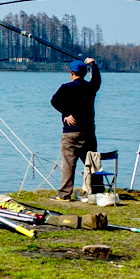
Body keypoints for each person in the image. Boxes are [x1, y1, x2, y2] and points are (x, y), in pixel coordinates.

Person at [50, 57, 101, 200]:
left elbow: (54, 101)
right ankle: (96, 191)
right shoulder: (90, 87)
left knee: (68, 163)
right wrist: (92, 64)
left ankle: (65, 193)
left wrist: (66, 113)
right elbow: (97, 79)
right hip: (88, 131)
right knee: (91, 162)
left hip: (71, 132)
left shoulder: (66, 87)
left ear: (71, 73)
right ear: (85, 73)